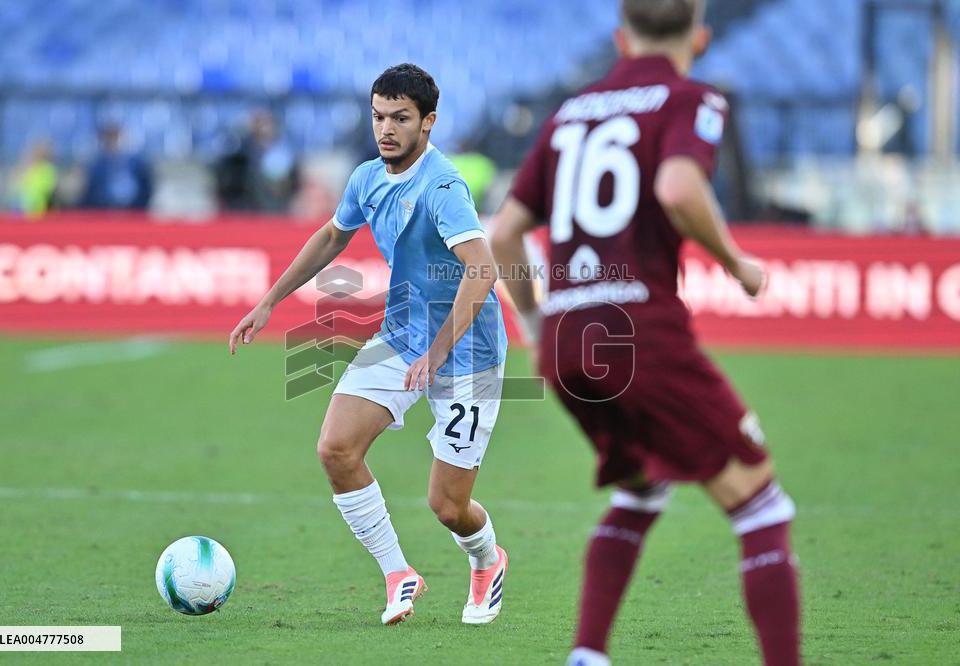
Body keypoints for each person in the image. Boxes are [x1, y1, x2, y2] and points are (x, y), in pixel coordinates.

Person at [490, 1, 800, 664]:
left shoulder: (570, 113)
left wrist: (539, 323)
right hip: (642, 332)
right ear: (701, 36)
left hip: (569, 341)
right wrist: (738, 263)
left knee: (641, 488)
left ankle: (587, 655)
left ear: (619, 37)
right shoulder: (692, 98)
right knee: (761, 504)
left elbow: (504, 233)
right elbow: (680, 187)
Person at [229, 64, 509, 626]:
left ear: (428, 123)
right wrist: (270, 300)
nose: (386, 128)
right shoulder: (367, 178)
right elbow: (333, 234)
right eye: (379, 116)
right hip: (402, 335)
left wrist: (437, 353)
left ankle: (487, 559)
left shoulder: (444, 187)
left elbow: (482, 271)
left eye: (400, 118)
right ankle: (398, 573)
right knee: (335, 449)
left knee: (448, 506)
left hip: (467, 355)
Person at [80, 124, 152, 210]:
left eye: (115, 138)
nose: (112, 143)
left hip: (133, 213)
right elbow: (90, 194)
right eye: (109, 139)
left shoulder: (137, 164)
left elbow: (146, 190)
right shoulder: (97, 166)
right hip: (102, 214)